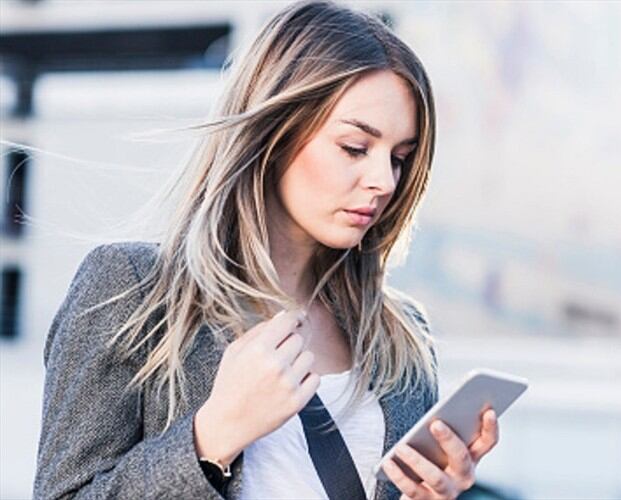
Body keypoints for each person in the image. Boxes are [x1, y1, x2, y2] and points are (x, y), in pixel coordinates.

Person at [32, 1, 500, 499]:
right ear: (275, 134)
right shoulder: (133, 289)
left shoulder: (401, 337)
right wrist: (213, 435)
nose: (383, 181)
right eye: (355, 149)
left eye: (400, 158)